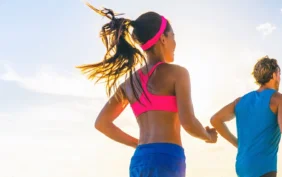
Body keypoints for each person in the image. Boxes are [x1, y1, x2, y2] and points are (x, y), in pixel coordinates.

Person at [77, 3, 218, 177]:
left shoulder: (129, 83)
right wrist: (208, 136)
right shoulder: (178, 73)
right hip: (167, 158)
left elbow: (102, 123)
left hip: (140, 159)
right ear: (163, 39)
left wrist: (137, 144)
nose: (175, 42)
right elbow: (188, 123)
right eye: (173, 36)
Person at [210, 56, 282, 177]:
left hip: (242, 167)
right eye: (279, 74)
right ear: (274, 75)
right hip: (264, 168)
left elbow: (215, 120)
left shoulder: (240, 101)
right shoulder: (279, 99)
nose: (279, 78)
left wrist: (237, 143)